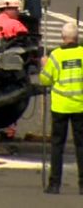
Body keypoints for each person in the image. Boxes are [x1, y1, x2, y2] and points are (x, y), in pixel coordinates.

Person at [40, 22, 83, 195]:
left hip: (60, 107)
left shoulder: (56, 56)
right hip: (80, 105)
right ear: (77, 37)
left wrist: (44, 65)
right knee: (81, 146)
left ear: (63, 38)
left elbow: (45, 80)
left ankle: (54, 184)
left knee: (57, 145)